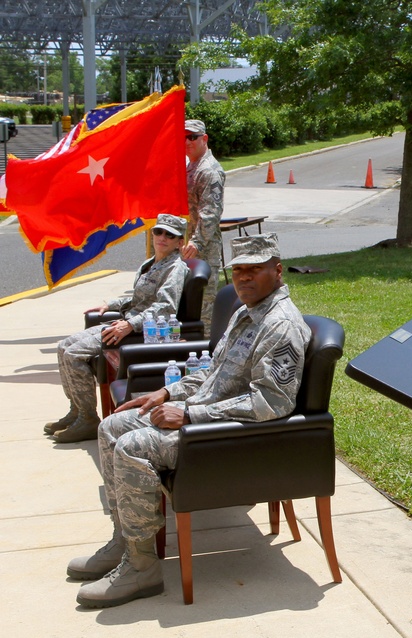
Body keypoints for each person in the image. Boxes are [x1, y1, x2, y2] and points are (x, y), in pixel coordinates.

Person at [69, 233, 310, 608]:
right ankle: (128, 541)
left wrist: (190, 413)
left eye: (255, 270)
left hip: (227, 439)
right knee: (111, 427)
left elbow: (272, 403)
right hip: (201, 420)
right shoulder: (246, 312)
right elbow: (213, 372)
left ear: (277, 271)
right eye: (238, 271)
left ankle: (142, 567)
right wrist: (166, 393)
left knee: (133, 446)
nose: (244, 278)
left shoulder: (281, 325)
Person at [48, 214, 189, 444]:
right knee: (64, 346)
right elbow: (137, 298)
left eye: (170, 235)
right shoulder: (150, 263)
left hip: (142, 330)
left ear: (179, 242)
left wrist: (130, 324)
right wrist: (111, 305)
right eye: (158, 232)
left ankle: (87, 419)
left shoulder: (175, 268)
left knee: (74, 355)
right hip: (125, 322)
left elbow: (165, 307)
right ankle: (76, 410)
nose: (162, 238)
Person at [181, 118, 226, 337]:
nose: (187, 142)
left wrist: (196, 242)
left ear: (204, 139)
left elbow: (211, 213)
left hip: (203, 250)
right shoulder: (190, 166)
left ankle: (205, 358)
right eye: (183, 138)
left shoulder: (209, 171)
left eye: (192, 137)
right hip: (188, 247)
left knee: (204, 311)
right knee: (188, 306)